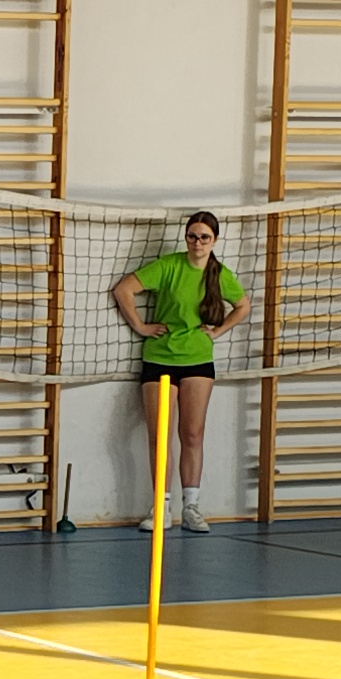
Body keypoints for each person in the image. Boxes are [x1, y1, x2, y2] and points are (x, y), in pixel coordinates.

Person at [111, 210, 247, 532]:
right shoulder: (168, 266)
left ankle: (191, 506)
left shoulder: (220, 274)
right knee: (161, 436)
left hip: (197, 360)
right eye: (192, 236)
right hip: (160, 359)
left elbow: (243, 305)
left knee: (192, 433)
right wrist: (140, 326)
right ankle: (162, 506)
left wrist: (217, 331)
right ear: (186, 238)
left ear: (214, 240)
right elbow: (123, 290)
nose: (198, 243)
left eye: (204, 237)